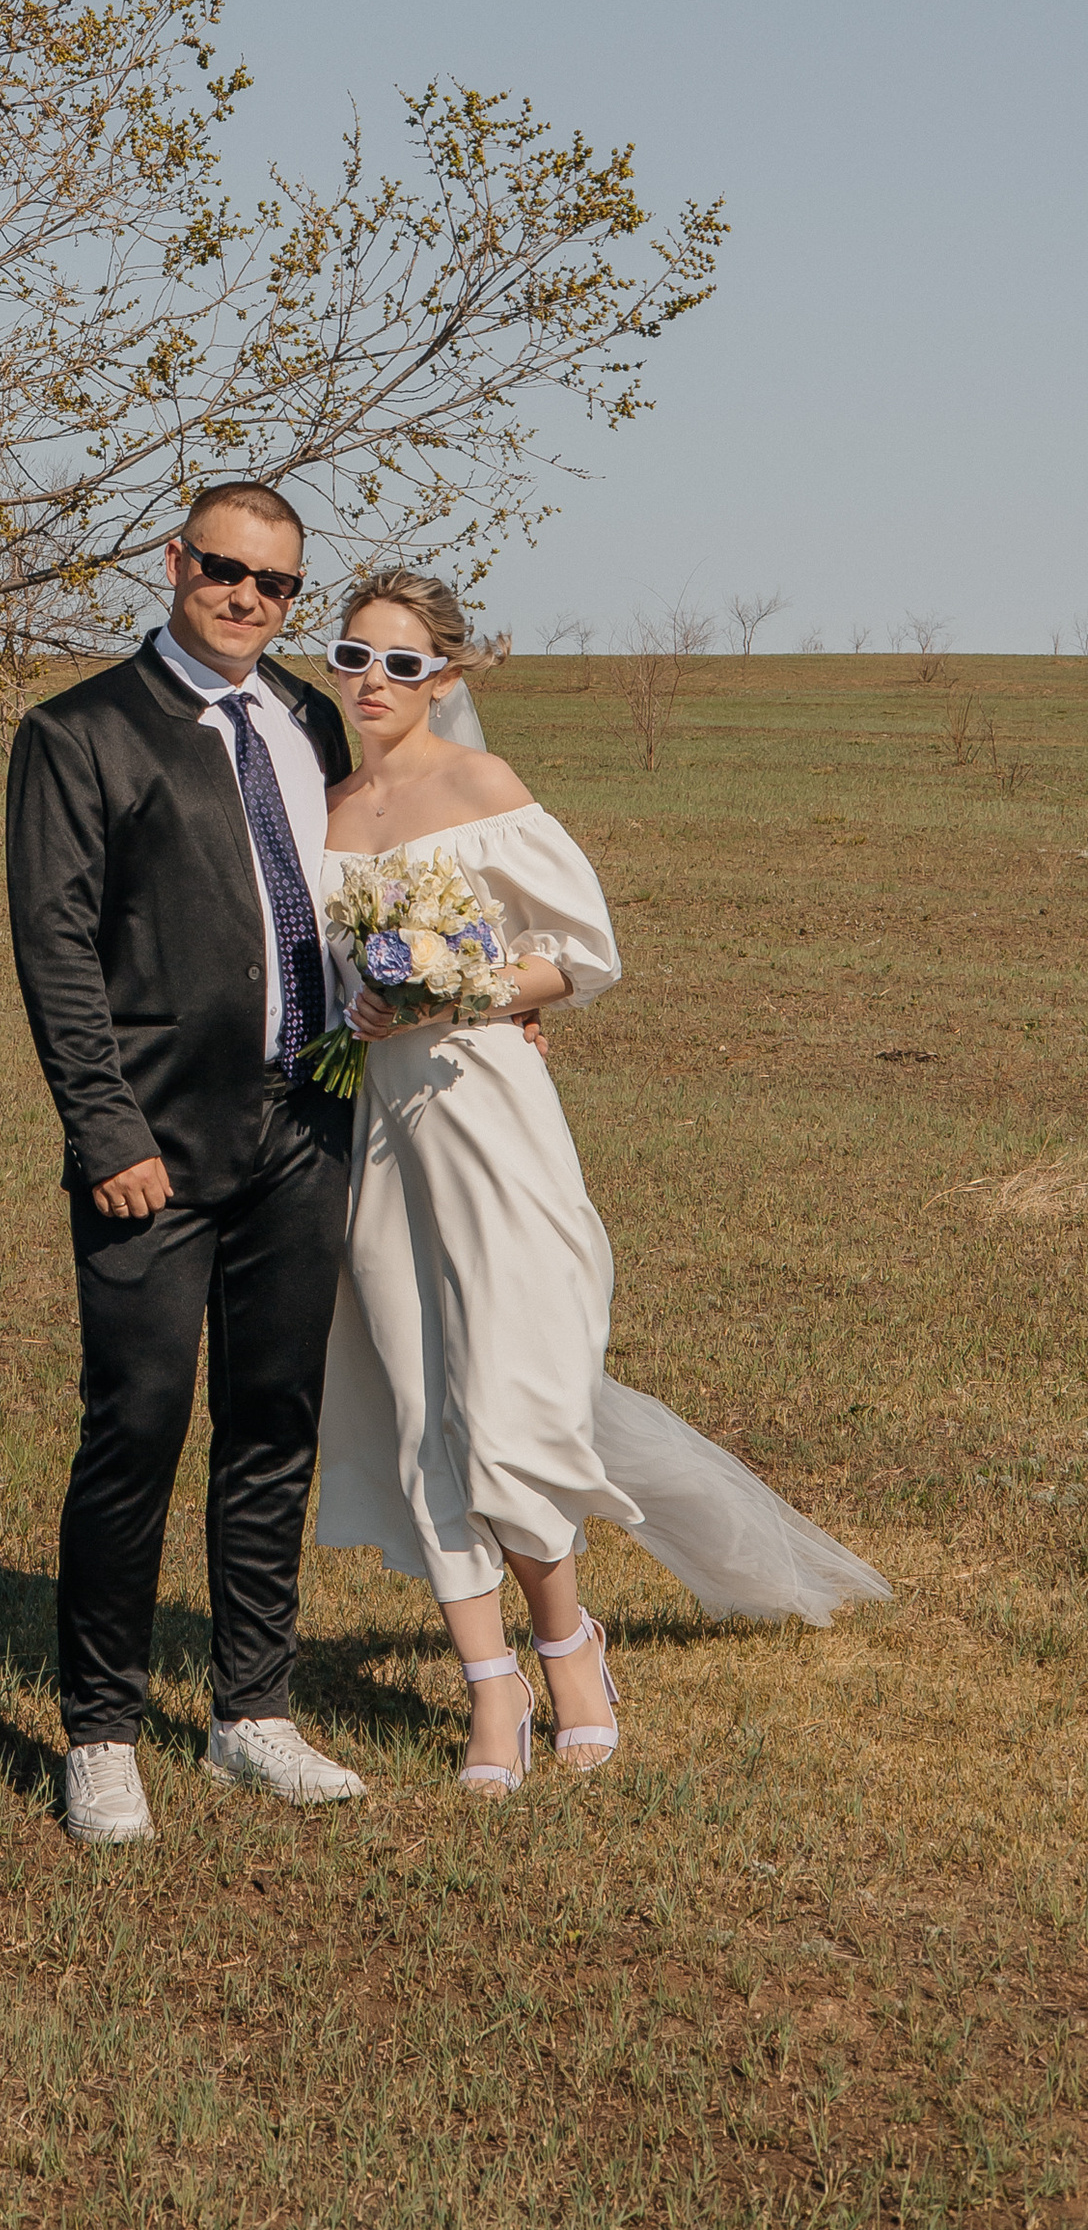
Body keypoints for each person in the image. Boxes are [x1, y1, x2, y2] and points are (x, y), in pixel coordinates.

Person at [314, 568, 891, 1793]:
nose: (373, 681)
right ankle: (489, 1693)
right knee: (418, 1405)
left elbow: (580, 956)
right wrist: (362, 1004)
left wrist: (456, 988)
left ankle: (571, 1649)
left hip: (494, 1123)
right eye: (353, 656)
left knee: (514, 1405)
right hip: (383, 1139)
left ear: (448, 677)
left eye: (402, 663)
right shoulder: (328, 809)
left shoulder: (483, 790)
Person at [6, 478, 369, 1845]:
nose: (246, 600)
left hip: (303, 1130)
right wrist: (104, 1133)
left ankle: (250, 1713)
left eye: (275, 585)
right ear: (174, 560)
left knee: (273, 1423)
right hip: (152, 1148)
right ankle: (100, 1734)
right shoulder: (79, 733)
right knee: (137, 1430)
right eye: (224, 570)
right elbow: (55, 948)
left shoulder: (306, 720)